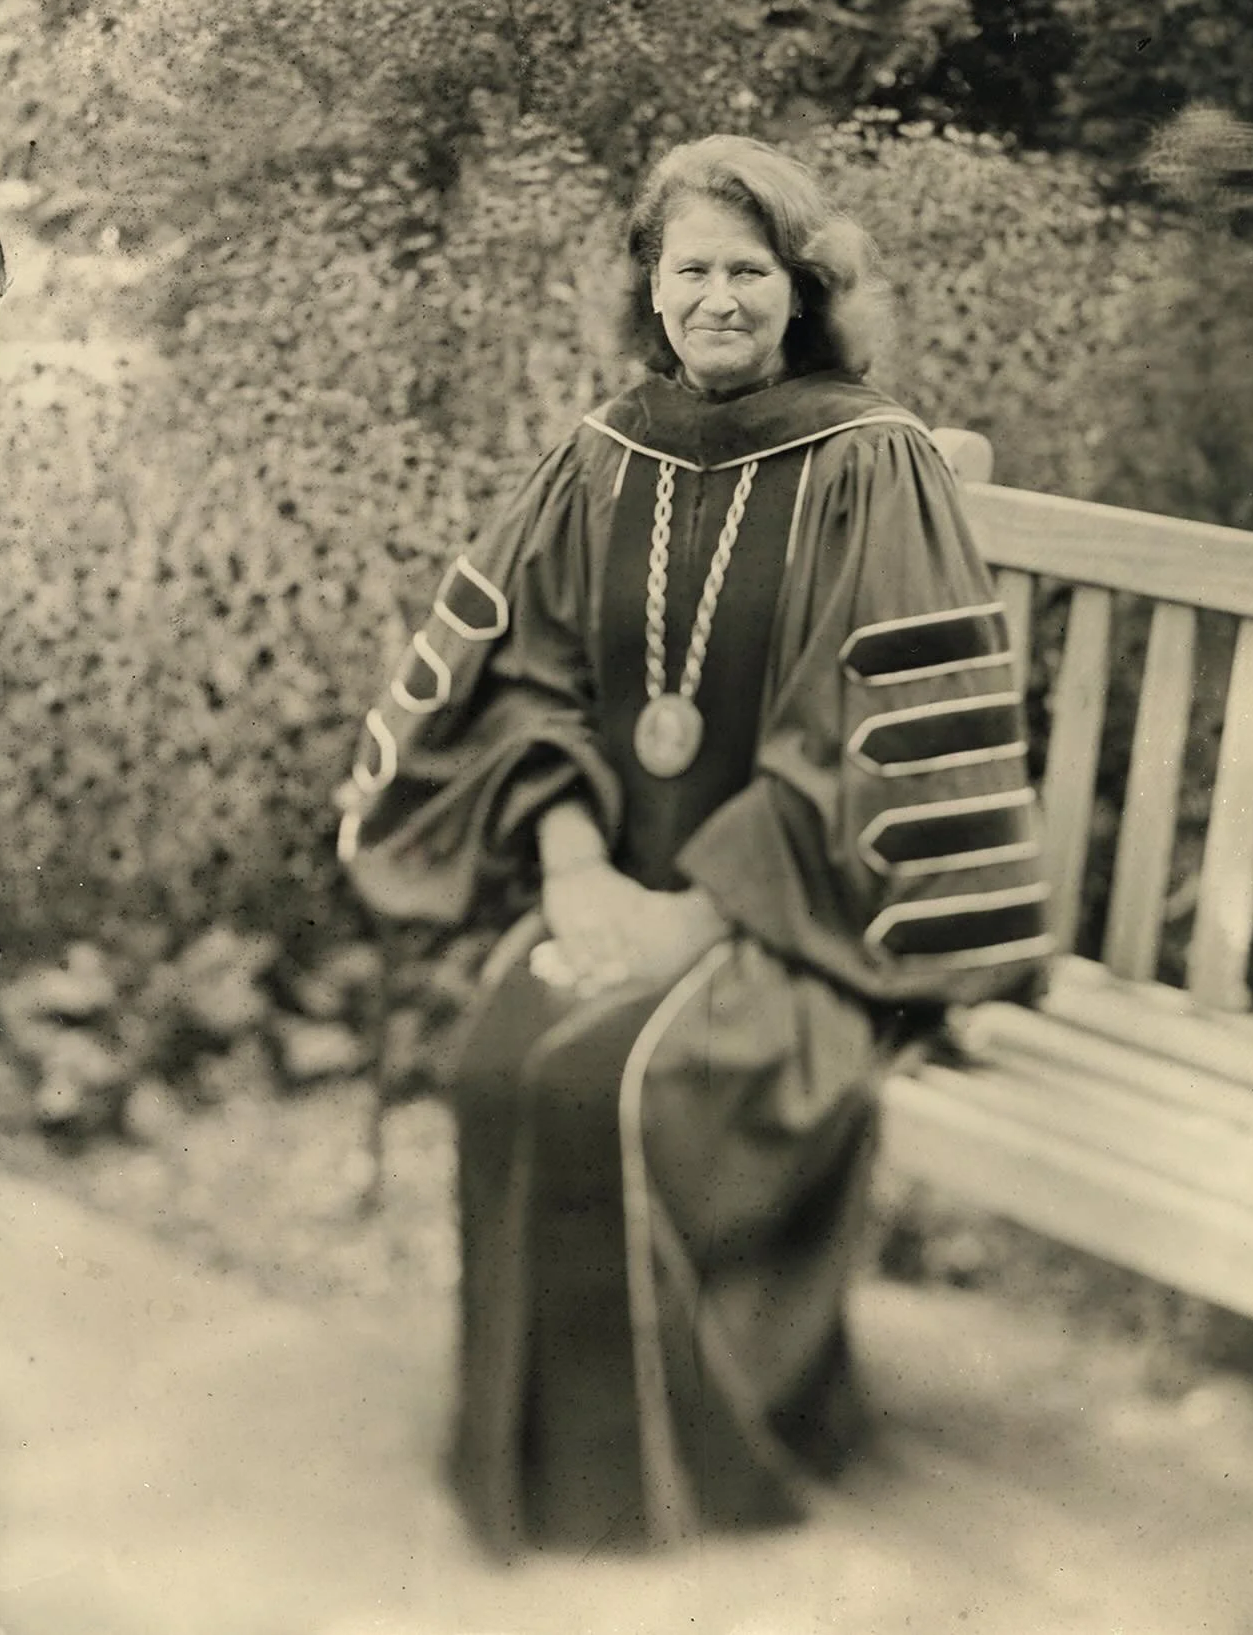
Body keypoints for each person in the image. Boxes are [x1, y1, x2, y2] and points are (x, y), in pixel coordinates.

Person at [338, 134, 1051, 1555]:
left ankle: (672, 1473)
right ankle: (542, 1473)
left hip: (798, 921)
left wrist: (695, 913)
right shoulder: (601, 455)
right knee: (500, 1058)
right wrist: (573, 870)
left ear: (803, 290)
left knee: (624, 1082)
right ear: (649, 289)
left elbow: (860, 740)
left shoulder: (871, 460)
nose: (718, 299)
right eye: (692, 271)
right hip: (616, 887)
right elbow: (526, 679)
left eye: (750, 271)